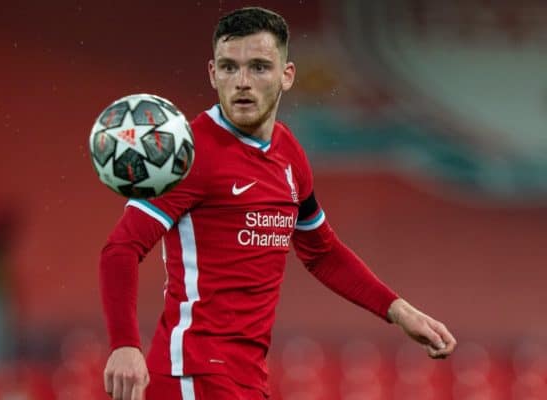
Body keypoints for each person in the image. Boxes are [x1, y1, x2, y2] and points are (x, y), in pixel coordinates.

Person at [100, 6, 456, 400]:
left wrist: (399, 310)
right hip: (193, 372)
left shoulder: (289, 153)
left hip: (247, 377)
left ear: (287, 76)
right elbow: (121, 248)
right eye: (229, 67)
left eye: (258, 67)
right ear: (212, 73)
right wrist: (124, 345)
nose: (242, 82)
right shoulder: (189, 154)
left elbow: (322, 253)